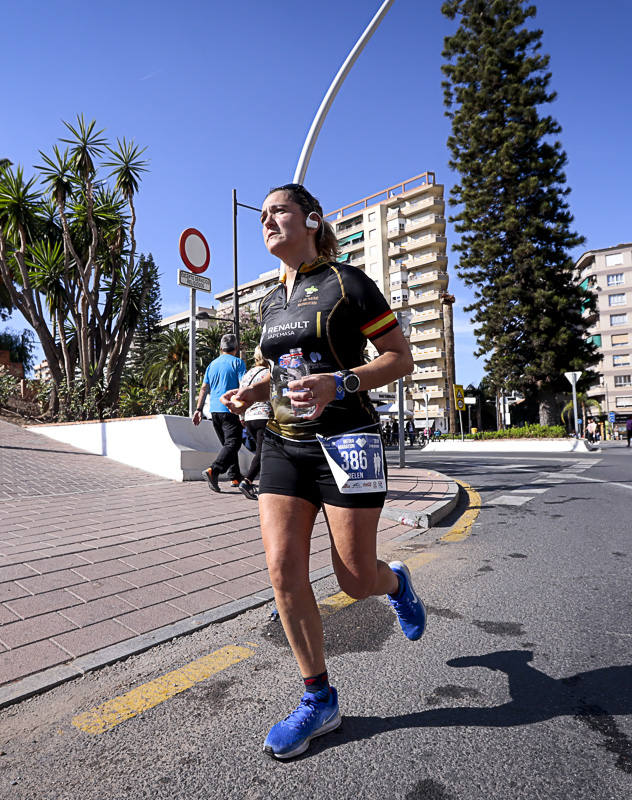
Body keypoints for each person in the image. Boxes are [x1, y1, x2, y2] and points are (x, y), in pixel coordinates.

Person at [223, 183, 422, 760]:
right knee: (283, 571)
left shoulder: (347, 283)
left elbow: (399, 357)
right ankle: (319, 699)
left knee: (354, 579)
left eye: (277, 210)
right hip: (285, 445)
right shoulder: (268, 300)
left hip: (348, 440)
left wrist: (343, 381)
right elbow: (275, 365)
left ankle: (395, 581)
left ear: (310, 219)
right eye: (261, 215)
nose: (266, 220)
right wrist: (252, 388)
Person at [192, 333, 246, 492]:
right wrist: (243, 411)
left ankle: (235, 477)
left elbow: (203, 388)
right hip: (230, 408)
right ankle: (213, 471)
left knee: (228, 445)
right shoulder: (238, 363)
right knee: (233, 443)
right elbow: (243, 387)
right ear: (236, 348)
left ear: (220, 348)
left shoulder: (212, 365)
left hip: (214, 410)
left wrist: (198, 409)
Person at [236, 346, 271, 501]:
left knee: (265, 451)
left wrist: (242, 417)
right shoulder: (267, 373)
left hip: (249, 417)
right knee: (263, 452)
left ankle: (264, 483)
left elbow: (241, 396)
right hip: (263, 416)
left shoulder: (247, 374)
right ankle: (247, 481)